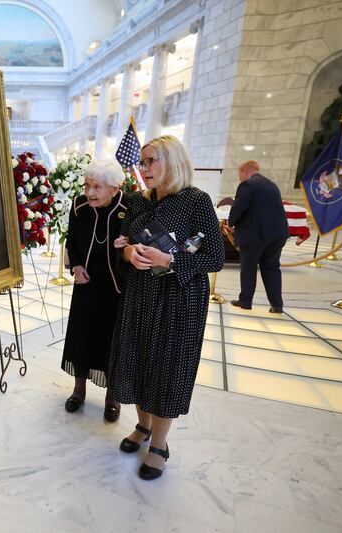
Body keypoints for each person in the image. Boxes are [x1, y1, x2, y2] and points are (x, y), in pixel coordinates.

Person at [108, 135, 224, 480]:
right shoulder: (140, 201)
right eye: (141, 162)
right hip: (139, 295)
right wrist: (127, 252)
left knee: (165, 368)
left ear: (172, 162)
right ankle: (143, 428)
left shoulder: (196, 201)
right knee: (136, 360)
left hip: (177, 301)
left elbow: (215, 258)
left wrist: (169, 260)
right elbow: (126, 242)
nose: (143, 169)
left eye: (150, 161)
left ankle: (159, 444)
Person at [61, 159, 130, 422]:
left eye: (97, 187)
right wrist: (76, 266)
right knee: (82, 335)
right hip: (86, 283)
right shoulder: (79, 206)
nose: (90, 192)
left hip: (117, 287)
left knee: (111, 341)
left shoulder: (128, 207)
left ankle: (112, 398)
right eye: (88, 185)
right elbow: (72, 240)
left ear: (114, 188)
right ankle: (78, 390)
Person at [227, 160, 289, 313]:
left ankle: (245, 301)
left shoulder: (248, 185)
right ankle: (277, 305)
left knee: (248, 267)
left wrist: (231, 222)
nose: (240, 178)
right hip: (277, 234)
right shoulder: (271, 185)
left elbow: (239, 207)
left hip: (255, 234)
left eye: (239, 174)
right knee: (272, 268)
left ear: (246, 170)